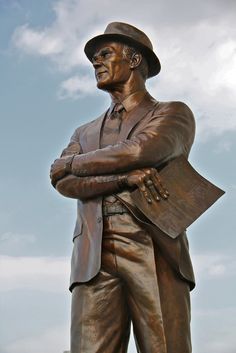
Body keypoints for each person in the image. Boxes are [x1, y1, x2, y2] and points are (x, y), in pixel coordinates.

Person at [50, 22, 196, 353]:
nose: (95, 63)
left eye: (105, 54)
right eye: (93, 59)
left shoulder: (171, 113)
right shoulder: (83, 132)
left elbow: (143, 150)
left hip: (152, 246)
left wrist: (72, 163)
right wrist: (120, 178)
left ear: (133, 60)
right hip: (93, 253)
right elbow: (64, 183)